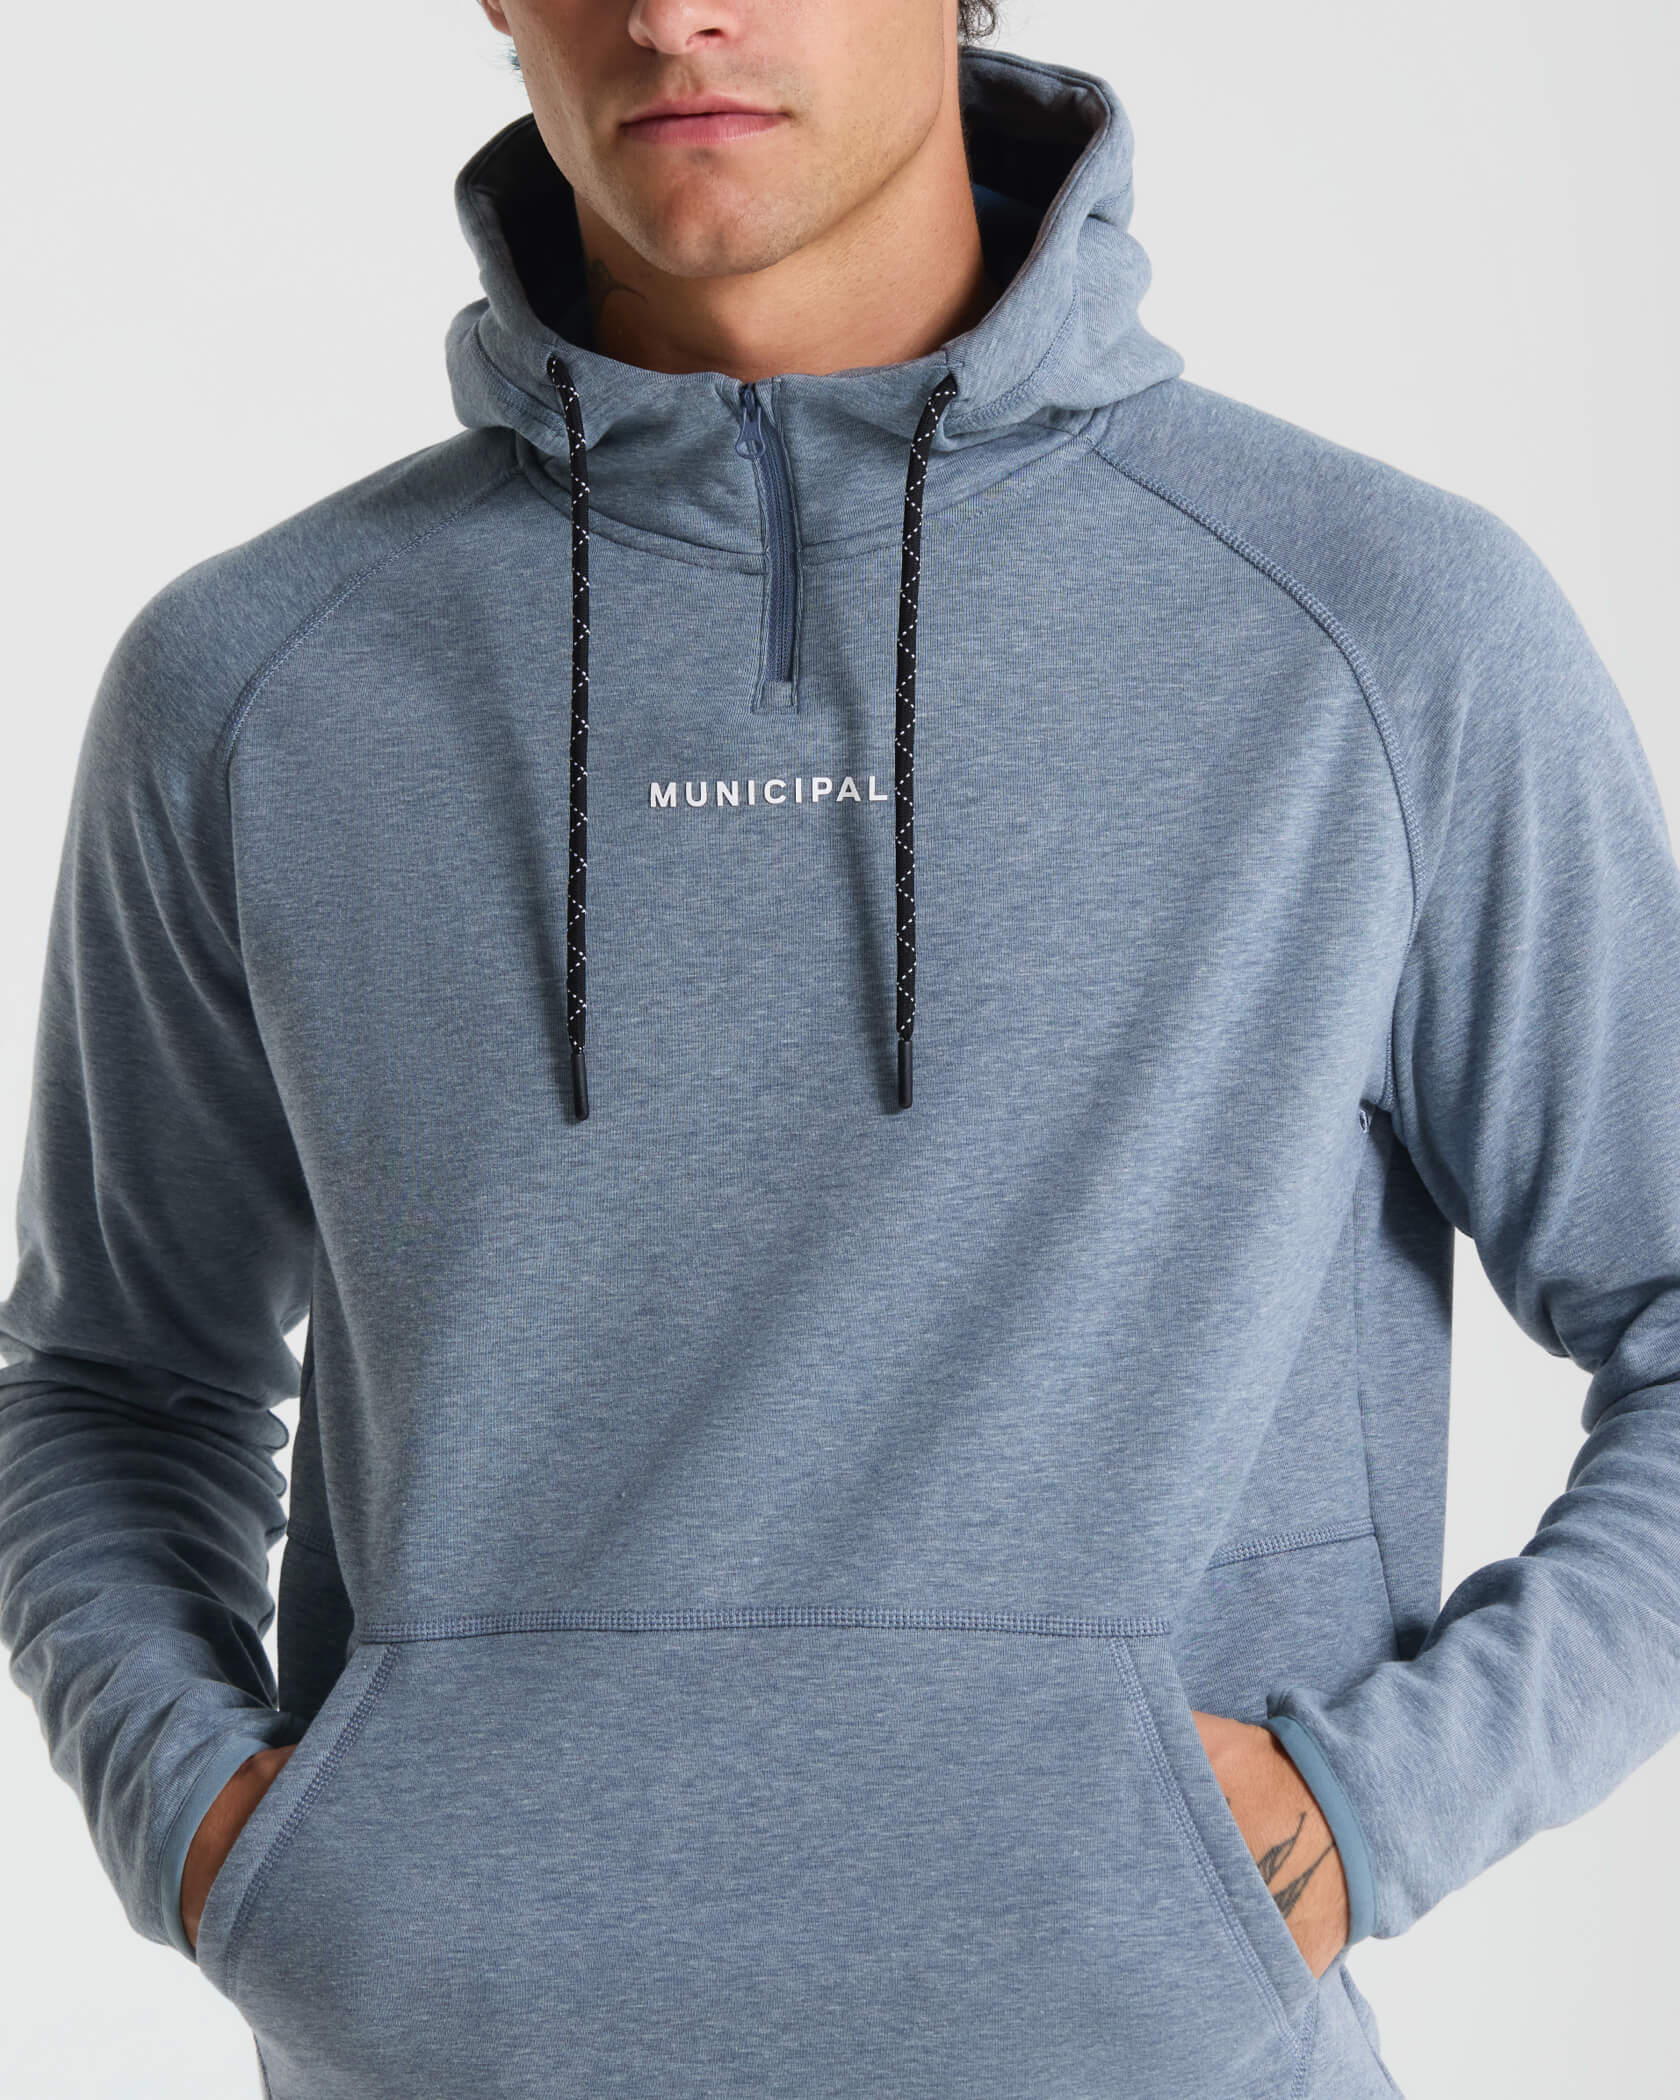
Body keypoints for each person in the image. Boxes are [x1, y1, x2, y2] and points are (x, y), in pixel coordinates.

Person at [2, 1, 1677, 2094]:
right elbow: (116, 1379)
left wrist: (1382, 1803)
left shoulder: (1383, 633)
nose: (670, 12)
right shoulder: (256, 681)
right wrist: (213, 1834)